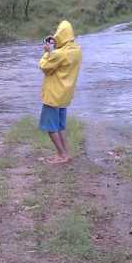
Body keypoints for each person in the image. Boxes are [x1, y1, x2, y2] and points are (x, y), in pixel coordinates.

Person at [38, 20, 82, 164]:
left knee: (51, 127)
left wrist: (47, 53)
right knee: (60, 126)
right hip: (65, 95)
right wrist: (54, 50)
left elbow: (44, 66)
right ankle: (65, 153)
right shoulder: (77, 51)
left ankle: (62, 155)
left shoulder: (59, 54)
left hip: (53, 95)